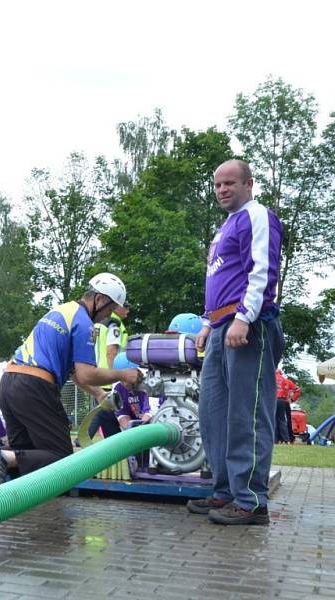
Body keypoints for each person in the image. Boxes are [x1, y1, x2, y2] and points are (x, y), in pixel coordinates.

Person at [0, 273, 144, 492]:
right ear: (100, 300)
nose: (107, 317)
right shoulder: (85, 324)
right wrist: (123, 375)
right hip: (34, 387)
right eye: (109, 310)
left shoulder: (62, 311)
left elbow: (74, 372)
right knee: (62, 459)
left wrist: (99, 394)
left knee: (26, 456)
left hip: (9, 383)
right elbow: (86, 374)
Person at [188, 159, 284, 526]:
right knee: (214, 414)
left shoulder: (256, 216)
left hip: (248, 326)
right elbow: (221, 278)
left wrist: (244, 317)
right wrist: (206, 322)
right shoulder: (224, 227)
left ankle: (252, 501)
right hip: (219, 327)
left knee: (247, 413)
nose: (222, 190)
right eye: (217, 185)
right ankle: (226, 491)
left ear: (249, 184)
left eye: (230, 183)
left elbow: (262, 269)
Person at [87, 302, 130, 439]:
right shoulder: (113, 324)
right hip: (108, 376)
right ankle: (86, 436)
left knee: (103, 413)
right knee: (110, 414)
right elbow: (111, 352)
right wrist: (116, 376)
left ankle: (87, 437)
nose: (128, 310)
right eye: (126, 306)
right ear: (116, 307)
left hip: (96, 373)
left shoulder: (97, 323)